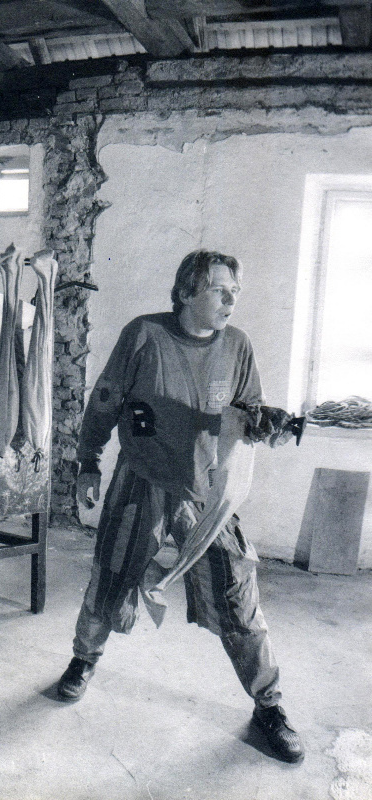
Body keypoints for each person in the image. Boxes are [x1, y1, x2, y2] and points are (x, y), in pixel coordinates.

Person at [56, 250, 305, 764]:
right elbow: (105, 400)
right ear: (187, 291)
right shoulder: (144, 335)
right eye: (219, 289)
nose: (231, 300)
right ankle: (83, 659)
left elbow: (246, 413)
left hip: (204, 489)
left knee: (237, 589)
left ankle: (269, 705)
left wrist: (265, 424)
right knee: (112, 573)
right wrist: (88, 463)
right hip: (142, 478)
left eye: (235, 291)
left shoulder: (237, 346)